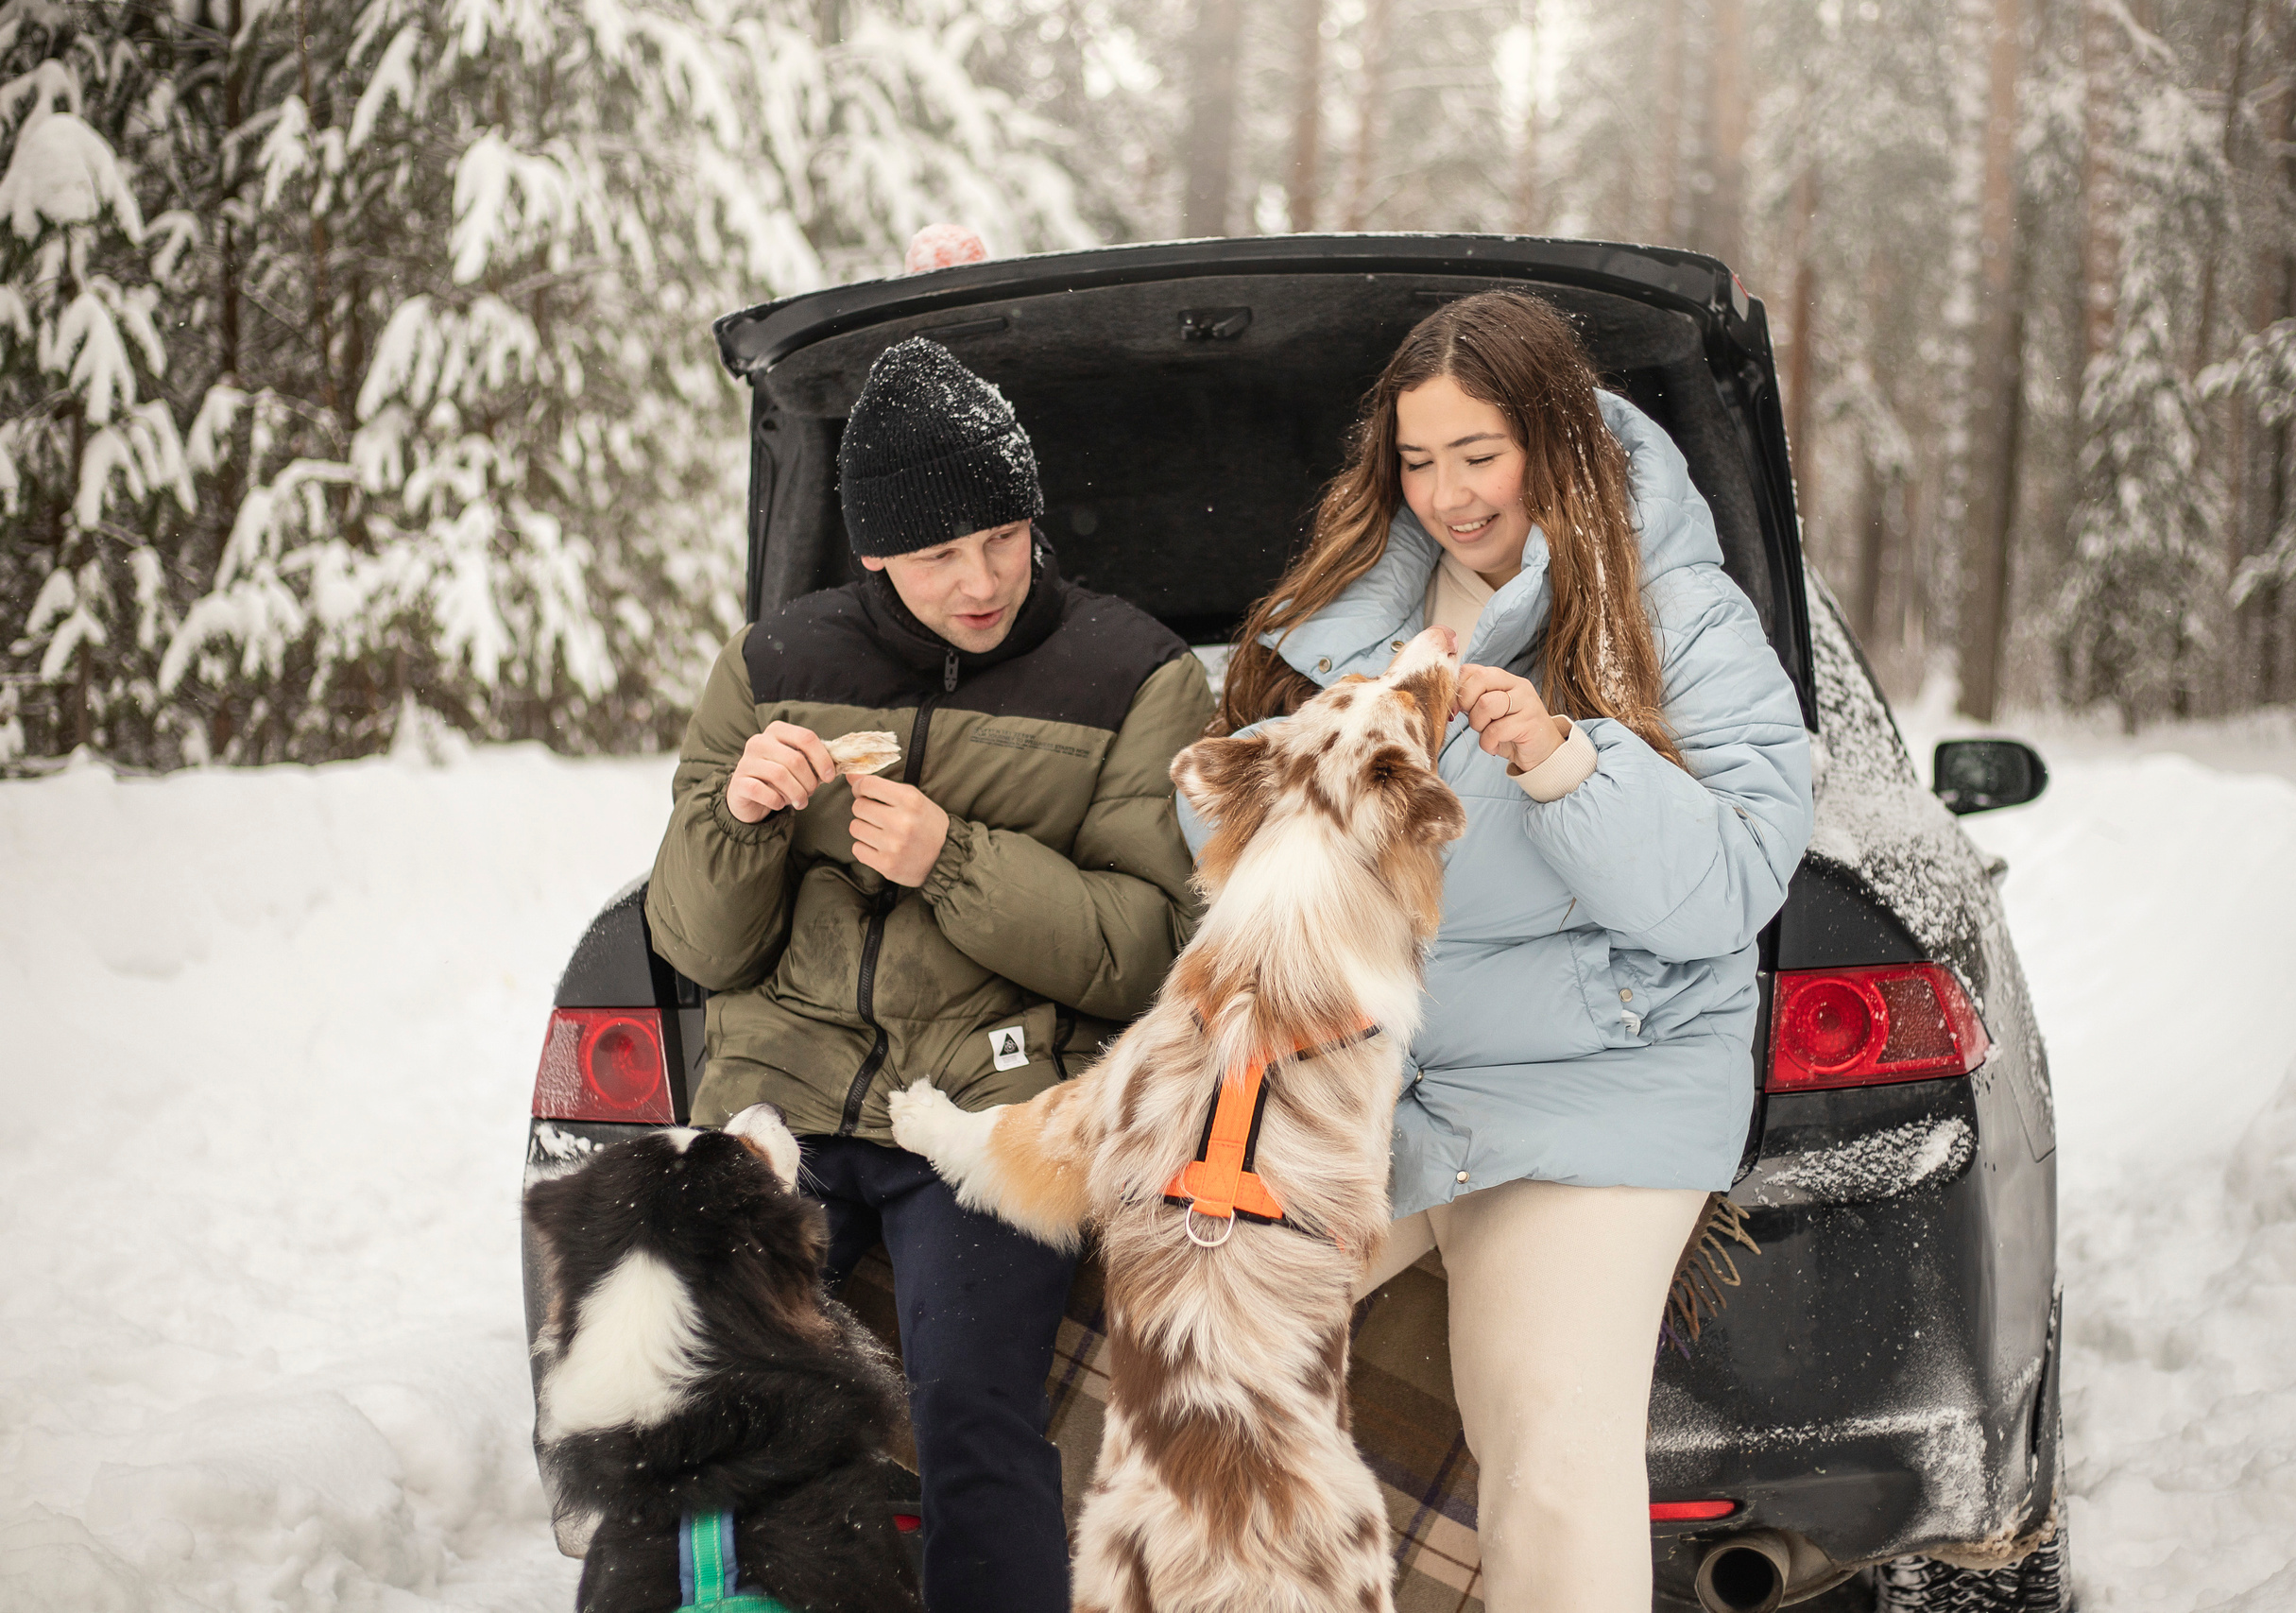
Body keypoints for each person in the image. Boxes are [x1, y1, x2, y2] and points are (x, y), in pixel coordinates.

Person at [1198, 290, 1814, 1612]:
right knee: (1188, 1333)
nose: (1448, 495)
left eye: (1479, 454)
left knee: (1547, 1433)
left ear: (1553, 437)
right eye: (1417, 462)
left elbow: (1732, 885)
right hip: (1385, 1081)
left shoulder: (1679, 615)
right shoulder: (1350, 618)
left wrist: (1562, 759)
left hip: (1594, 1089)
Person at [644, 335, 1214, 1613]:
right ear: (873, 557)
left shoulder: (1137, 677)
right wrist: (736, 818)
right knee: (717, 1406)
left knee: (975, 1422)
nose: (982, 581)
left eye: (1004, 537)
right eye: (940, 554)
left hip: (984, 1110)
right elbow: (697, 944)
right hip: (785, 1105)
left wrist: (954, 859)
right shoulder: (771, 667)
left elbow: (1147, 951)